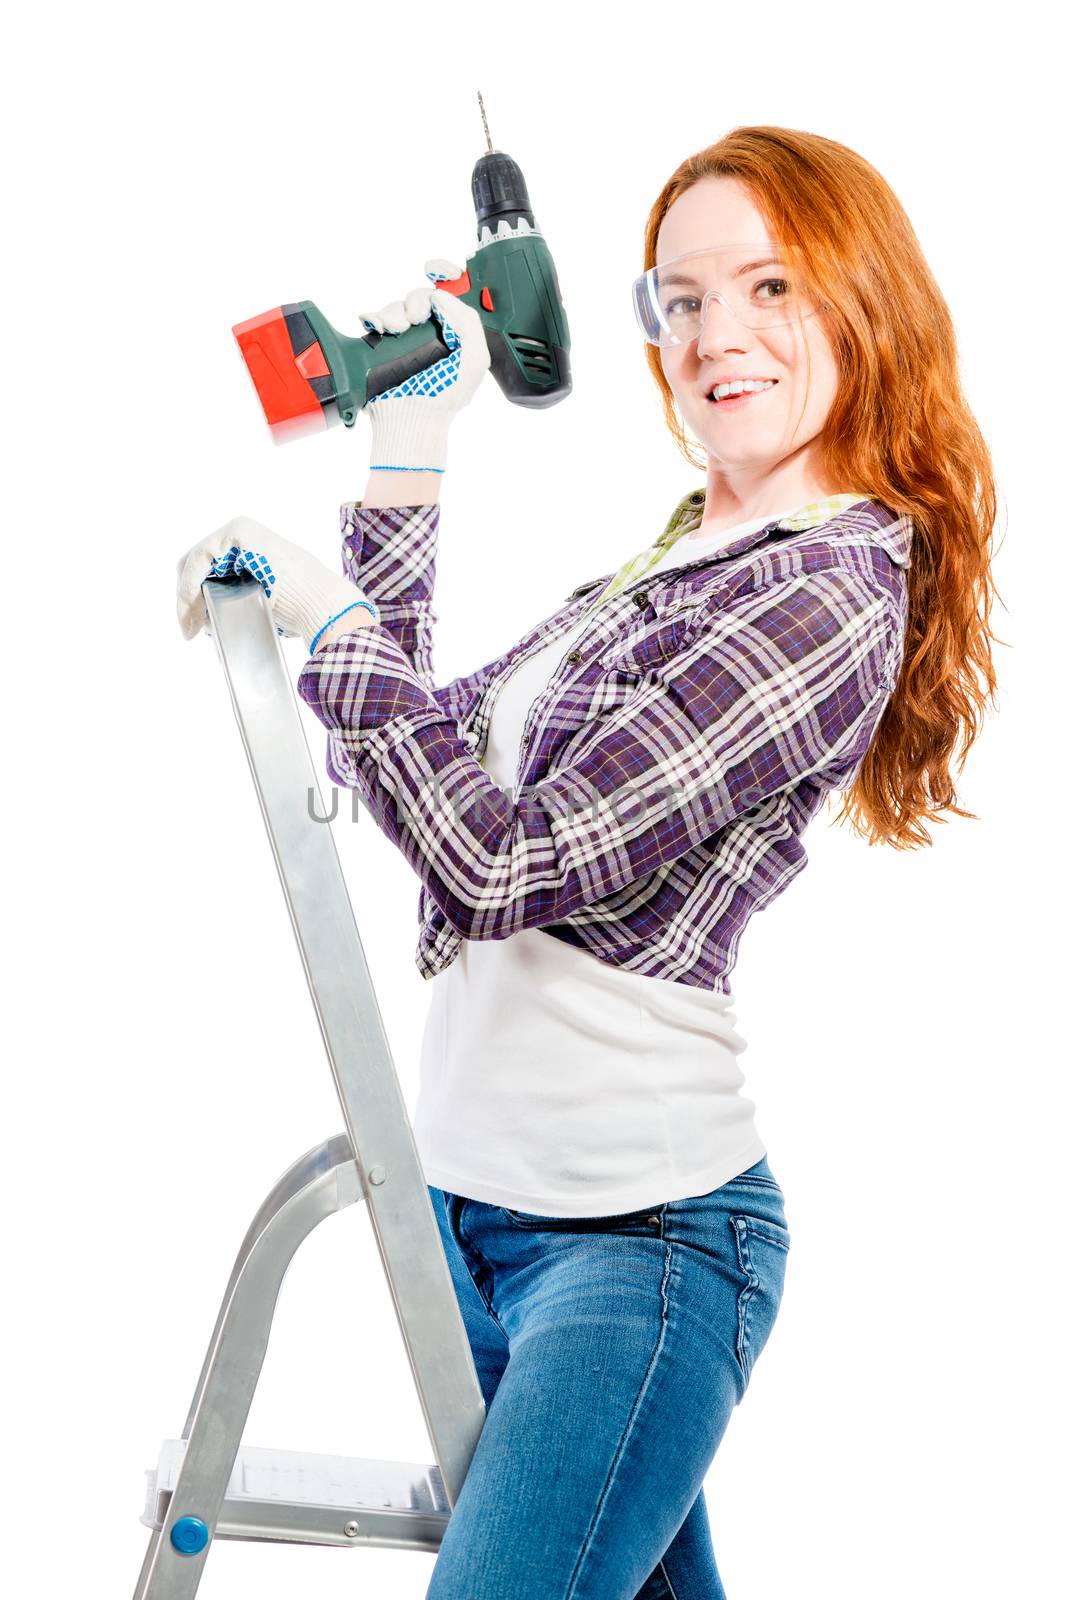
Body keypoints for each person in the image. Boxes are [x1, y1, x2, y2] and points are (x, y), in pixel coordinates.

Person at [176, 125, 1001, 1599]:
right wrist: (413, 443)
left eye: (769, 287)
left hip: (645, 1248)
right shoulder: (675, 557)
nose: (714, 336)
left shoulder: (829, 590)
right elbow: (420, 771)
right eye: (678, 300)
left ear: (862, 305)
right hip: (479, 1216)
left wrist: (324, 617)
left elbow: (501, 866)